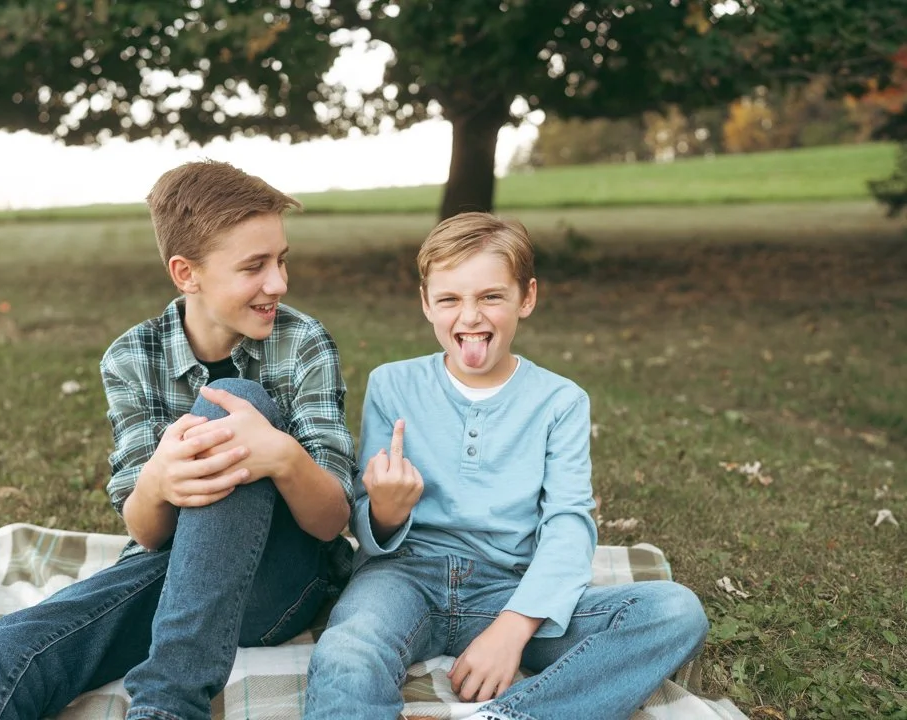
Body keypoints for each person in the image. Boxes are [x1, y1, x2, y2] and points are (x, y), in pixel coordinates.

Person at [0, 160, 357, 720]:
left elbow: (330, 521)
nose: (278, 282)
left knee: (236, 402)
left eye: (281, 261)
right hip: (173, 574)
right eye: (255, 266)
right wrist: (155, 482)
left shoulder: (303, 343)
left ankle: (167, 705)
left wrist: (281, 456)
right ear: (186, 272)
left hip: (284, 582)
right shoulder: (132, 357)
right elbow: (148, 535)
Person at [303, 212, 709, 720]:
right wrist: (384, 511)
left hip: (510, 586)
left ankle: (509, 715)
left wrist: (511, 630)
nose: (470, 317)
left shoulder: (560, 401)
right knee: (349, 649)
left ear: (527, 297)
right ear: (427, 303)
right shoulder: (393, 385)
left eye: (491, 296)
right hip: (403, 578)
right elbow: (367, 520)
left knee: (674, 611)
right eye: (450, 299)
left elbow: (567, 521)